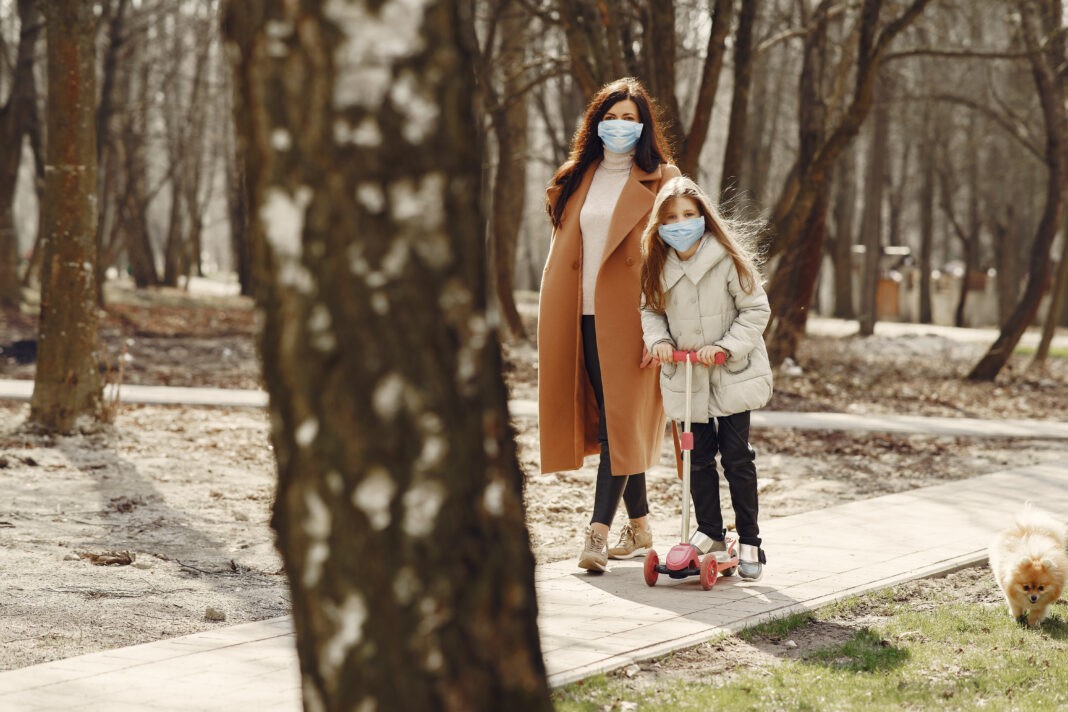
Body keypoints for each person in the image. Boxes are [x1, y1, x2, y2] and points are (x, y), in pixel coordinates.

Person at [538, 77, 681, 572]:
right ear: (596, 123)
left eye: (629, 118)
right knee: (612, 423)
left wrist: (663, 329)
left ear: (643, 126)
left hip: (633, 321)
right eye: (611, 117)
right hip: (575, 315)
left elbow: (676, 261)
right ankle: (640, 527)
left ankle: (596, 534)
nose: (619, 126)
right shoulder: (577, 175)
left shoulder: (663, 180)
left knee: (617, 423)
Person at [638, 176, 772, 581]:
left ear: (704, 217)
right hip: (687, 375)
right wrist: (659, 340)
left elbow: (755, 311)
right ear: (659, 226)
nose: (681, 224)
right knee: (695, 458)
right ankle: (710, 532)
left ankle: (749, 538)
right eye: (671, 218)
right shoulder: (657, 266)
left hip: (729, 373)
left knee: (736, 458)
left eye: (689, 215)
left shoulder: (728, 259)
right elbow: (651, 312)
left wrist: (727, 346)